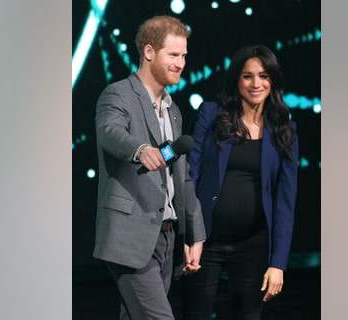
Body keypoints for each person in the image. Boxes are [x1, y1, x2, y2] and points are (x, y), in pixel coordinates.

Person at [93, 15, 206, 319]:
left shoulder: (173, 110)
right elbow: (110, 132)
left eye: (184, 55)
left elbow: (183, 180)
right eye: (173, 55)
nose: (181, 63)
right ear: (149, 52)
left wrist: (194, 234)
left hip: (167, 237)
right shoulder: (118, 94)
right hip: (131, 236)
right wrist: (139, 149)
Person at [180, 45, 299, 319]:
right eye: (248, 76)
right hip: (204, 241)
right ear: (237, 79)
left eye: (263, 75)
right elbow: (189, 175)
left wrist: (278, 263)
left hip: (253, 245)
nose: (256, 83)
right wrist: (189, 235)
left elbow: (285, 202)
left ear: (273, 80)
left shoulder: (285, 130)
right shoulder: (211, 114)